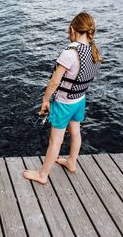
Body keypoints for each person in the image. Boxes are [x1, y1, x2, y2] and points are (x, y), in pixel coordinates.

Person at [23, 12, 103, 184]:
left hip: (64, 104)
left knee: (55, 141)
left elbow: (54, 82)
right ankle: (72, 162)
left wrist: (45, 100)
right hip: (79, 100)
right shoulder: (94, 51)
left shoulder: (70, 52)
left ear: (73, 29)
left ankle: (42, 175)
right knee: (75, 132)